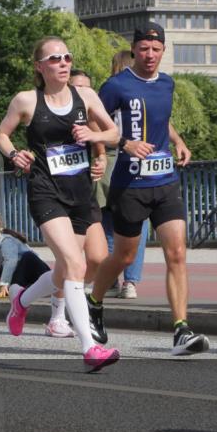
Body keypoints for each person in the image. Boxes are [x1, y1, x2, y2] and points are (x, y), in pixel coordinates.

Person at [0, 36, 120, 371]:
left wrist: (95, 139)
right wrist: (13, 153)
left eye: (66, 57)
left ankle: (21, 298)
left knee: (92, 262)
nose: (63, 63)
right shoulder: (27, 100)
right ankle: (90, 347)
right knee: (74, 264)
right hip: (45, 190)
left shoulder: (86, 96)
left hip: (80, 192)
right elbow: (2, 134)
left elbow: (114, 134)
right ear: (40, 67)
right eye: (55, 59)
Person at [88, 24, 210, 356]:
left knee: (177, 253)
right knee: (124, 256)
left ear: (163, 50)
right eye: (144, 49)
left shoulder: (167, 84)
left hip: (165, 180)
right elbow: (94, 124)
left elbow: (162, 118)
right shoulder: (116, 86)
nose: (150, 55)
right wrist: (124, 143)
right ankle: (94, 302)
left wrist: (179, 141)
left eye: (156, 49)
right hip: (130, 184)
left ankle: (181, 331)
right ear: (135, 49)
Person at [73, 61, 147, 299]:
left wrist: (103, 155)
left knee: (128, 221)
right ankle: (109, 279)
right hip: (84, 174)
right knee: (100, 226)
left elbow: (107, 134)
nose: (82, 91)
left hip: (116, 166)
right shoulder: (57, 106)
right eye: (77, 87)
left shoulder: (98, 106)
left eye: (86, 87)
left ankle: (125, 281)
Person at [0, 212, 74, 337]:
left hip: (34, 270)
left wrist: (3, 284)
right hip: (28, 273)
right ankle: (15, 289)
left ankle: (15, 290)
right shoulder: (3, 240)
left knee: (24, 259)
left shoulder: (6, 240)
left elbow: (10, 262)